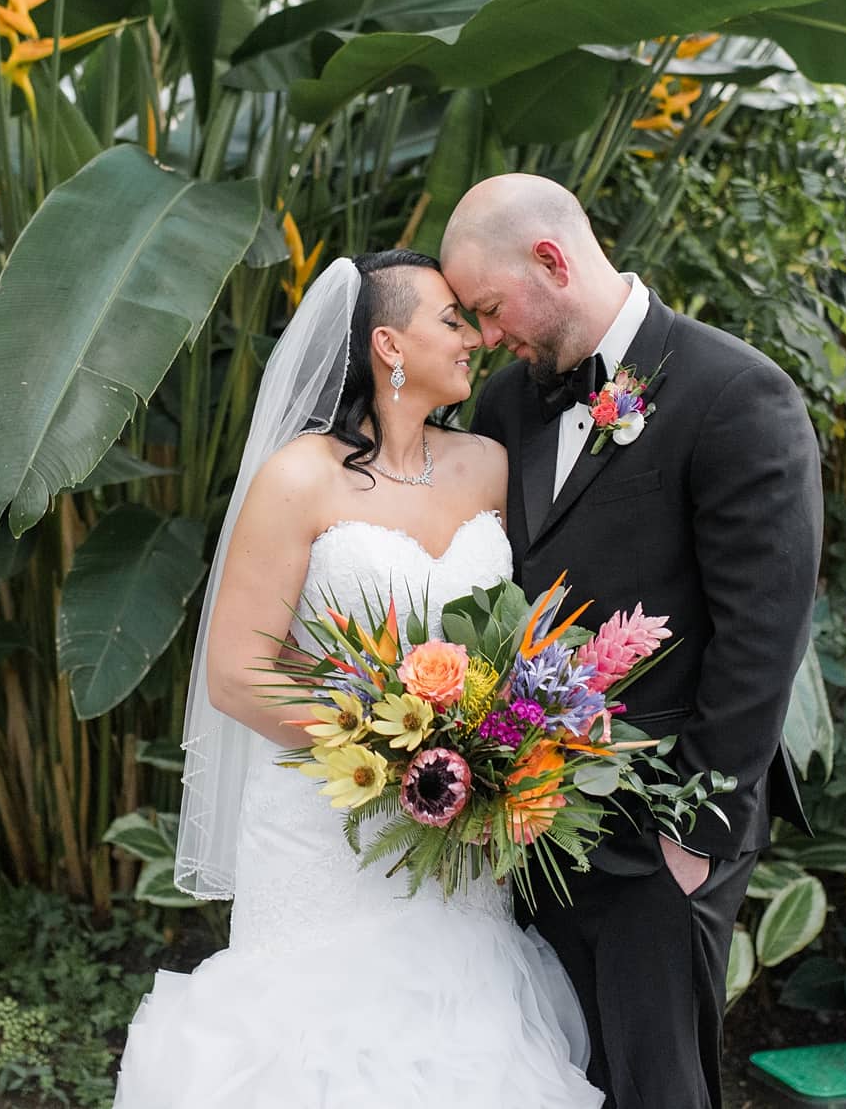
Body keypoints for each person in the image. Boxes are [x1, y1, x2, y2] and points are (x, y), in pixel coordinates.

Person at [113, 250, 602, 1108]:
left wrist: (500, 748)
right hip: (328, 825)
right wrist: (392, 745)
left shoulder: (488, 466)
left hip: (458, 833)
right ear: (389, 344)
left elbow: (513, 643)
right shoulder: (298, 478)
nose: (474, 338)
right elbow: (236, 672)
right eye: (451, 320)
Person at [441, 173, 823, 1109]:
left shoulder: (737, 392)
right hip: (534, 818)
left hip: (666, 823)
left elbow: (763, 633)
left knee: (659, 1086)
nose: (488, 336)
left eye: (490, 309)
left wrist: (689, 837)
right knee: (563, 1078)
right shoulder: (506, 406)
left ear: (553, 260)